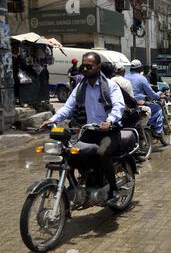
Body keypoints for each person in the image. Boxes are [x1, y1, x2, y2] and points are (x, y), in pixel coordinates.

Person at [40, 52, 125, 205]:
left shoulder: (110, 85)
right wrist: (52, 120)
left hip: (109, 132)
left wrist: (109, 120)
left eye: (89, 66)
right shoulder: (81, 87)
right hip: (89, 131)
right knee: (69, 153)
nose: (85, 69)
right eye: (83, 66)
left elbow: (119, 106)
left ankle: (113, 190)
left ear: (98, 67)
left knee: (102, 152)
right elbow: (68, 107)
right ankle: (79, 184)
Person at [125, 59, 165, 137]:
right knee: (158, 108)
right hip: (138, 102)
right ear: (139, 68)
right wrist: (158, 95)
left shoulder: (125, 76)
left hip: (127, 103)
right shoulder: (142, 78)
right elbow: (151, 94)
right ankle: (157, 131)